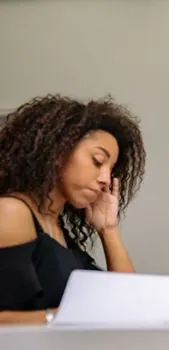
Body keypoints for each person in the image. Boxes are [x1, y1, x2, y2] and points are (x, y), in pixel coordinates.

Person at [0, 94, 146, 324]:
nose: (106, 179)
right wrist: (67, 318)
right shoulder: (12, 213)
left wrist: (108, 229)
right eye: (98, 161)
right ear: (58, 151)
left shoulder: (59, 233)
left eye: (111, 169)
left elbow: (128, 301)